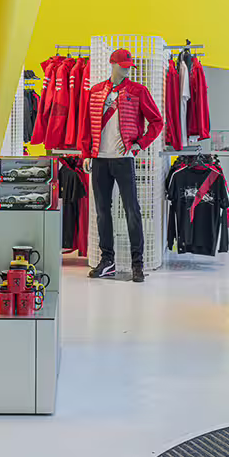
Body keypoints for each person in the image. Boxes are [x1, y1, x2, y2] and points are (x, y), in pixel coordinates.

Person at [79, 49, 163, 283]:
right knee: (102, 212)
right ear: (112, 64)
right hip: (99, 159)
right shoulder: (95, 91)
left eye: (129, 66)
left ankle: (138, 263)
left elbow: (157, 121)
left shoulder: (138, 91)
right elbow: (85, 124)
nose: (126, 69)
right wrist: (86, 153)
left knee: (132, 210)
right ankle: (107, 260)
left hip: (124, 158)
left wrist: (140, 144)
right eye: (123, 65)